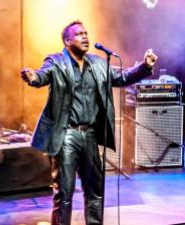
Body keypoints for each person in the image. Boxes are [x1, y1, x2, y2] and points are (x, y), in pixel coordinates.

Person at [21, 20, 158, 225]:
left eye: (86, 33)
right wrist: (34, 77)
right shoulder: (56, 62)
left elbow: (121, 77)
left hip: (90, 135)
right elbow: (43, 75)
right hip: (67, 135)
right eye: (79, 34)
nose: (85, 36)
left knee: (95, 191)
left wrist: (145, 66)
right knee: (64, 193)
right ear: (67, 40)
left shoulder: (98, 63)